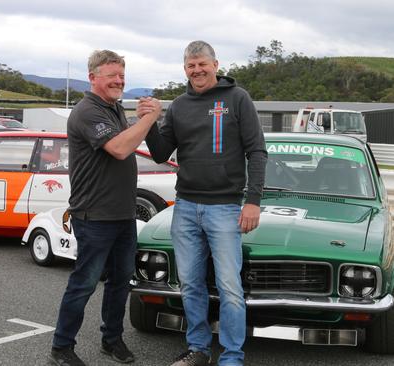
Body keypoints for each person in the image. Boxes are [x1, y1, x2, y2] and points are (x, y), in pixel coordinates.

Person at [140, 41, 267, 366]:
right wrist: (150, 122)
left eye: (202, 64)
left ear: (215, 65)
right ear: (185, 69)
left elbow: (257, 151)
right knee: (190, 284)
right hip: (185, 207)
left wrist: (252, 201)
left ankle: (232, 357)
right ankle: (198, 349)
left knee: (229, 286)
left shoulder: (237, 99)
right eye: (191, 66)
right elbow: (159, 152)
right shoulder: (180, 105)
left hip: (225, 209)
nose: (197, 70)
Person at [49, 50, 162, 366]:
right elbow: (120, 148)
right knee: (84, 283)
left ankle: (111, 340)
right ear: (93, 77)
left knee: (120, 282)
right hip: (94, 215)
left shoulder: (113, 109)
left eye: (122, 76)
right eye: (112, 75)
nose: (118, 81)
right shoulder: (88, 111)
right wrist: (149, 118)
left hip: (122, 214)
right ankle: (61, 347)